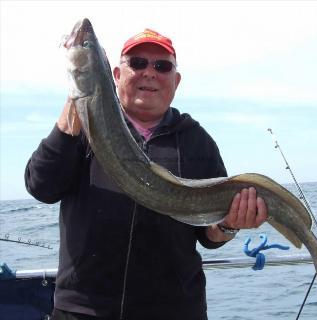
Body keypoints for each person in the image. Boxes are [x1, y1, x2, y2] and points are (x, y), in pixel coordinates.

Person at [25, 28, 268, 320]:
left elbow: (208, 235)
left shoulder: (197, 141)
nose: (149, 73)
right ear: (115, 75)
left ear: (175, 81)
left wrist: (229, 225)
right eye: (137, 63)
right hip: (83, 311)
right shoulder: (81, 129)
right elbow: (41, 186)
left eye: (162, 66)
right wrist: (78, 100)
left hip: (175, 311)